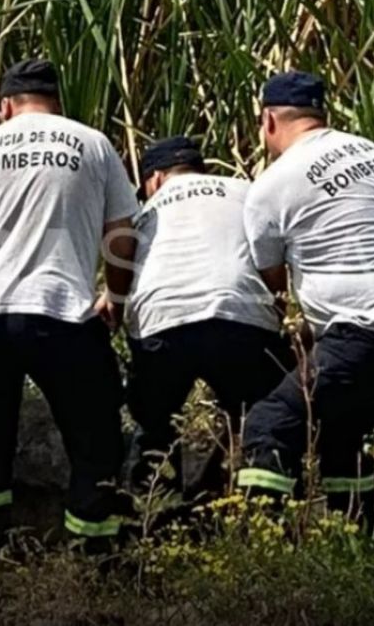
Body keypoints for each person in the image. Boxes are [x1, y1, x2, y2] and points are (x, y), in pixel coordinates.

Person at [0, 58, 137, 547]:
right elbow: (123, 237)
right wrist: (116, 301)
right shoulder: (92, 144)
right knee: (94, 436)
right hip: (60, 311)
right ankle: (93, 551)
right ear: (57, 104)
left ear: (4, 106)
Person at [236, 71, 374, 525]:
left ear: (269, 120)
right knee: (343, 427)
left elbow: (272, 282)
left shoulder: (271, 187)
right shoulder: (371, 151)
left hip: (367, 330)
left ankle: (259, 552)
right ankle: (354, 538)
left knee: (270, 423)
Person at [123, 136, 293, 501]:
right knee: (259, 414)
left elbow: (124, 267)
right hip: (242, 314)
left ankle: (153, 514)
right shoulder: (246, 191)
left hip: (163, 319)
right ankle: (262, 511)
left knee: (155, 423)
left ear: (154, 179)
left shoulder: (145, 211)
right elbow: (273, 253)